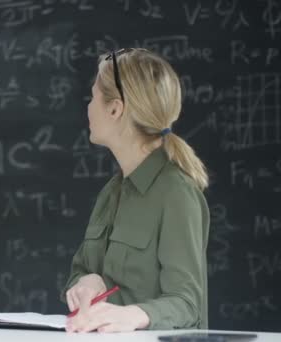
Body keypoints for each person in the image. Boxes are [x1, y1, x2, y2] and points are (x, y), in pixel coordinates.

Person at [62, 48, 210, 332]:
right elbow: (81, 271)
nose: (88, 106)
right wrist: (86, 281)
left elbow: (188, 303)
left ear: (115, 109)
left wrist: (132, 315)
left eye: (93, 97)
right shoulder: (112, 192)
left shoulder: (176, 193)